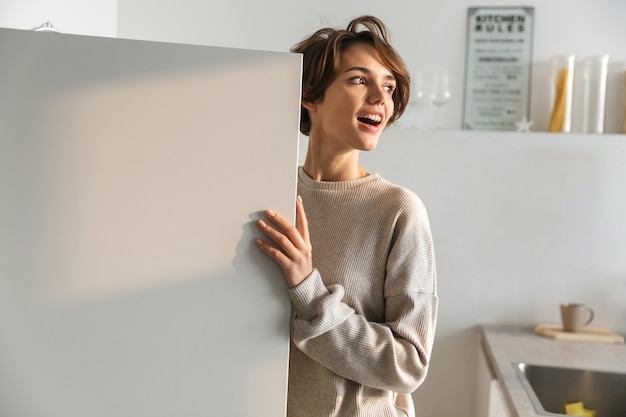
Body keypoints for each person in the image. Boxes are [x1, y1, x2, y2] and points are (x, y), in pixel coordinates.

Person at [255, 15, 438, 417]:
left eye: (388, 87)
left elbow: (409, 364)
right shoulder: (264, 196)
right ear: (309, 94)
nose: (381, 99)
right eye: (360, 80)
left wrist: (308, 290)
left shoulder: (397, 211)